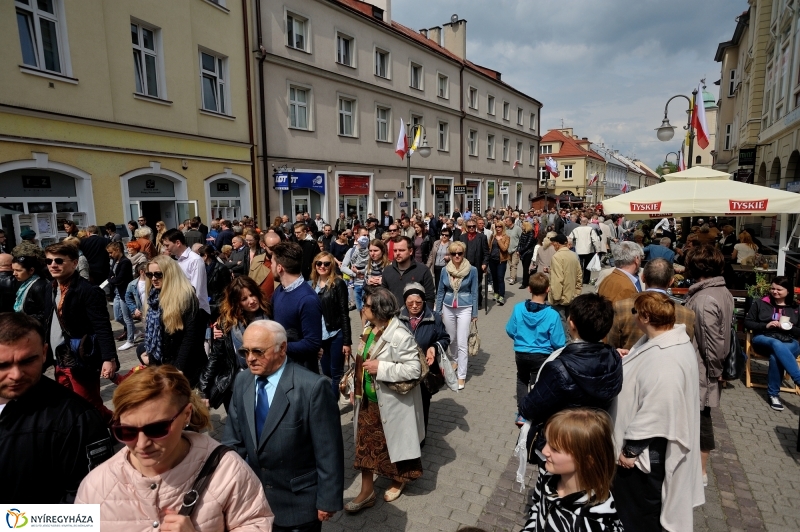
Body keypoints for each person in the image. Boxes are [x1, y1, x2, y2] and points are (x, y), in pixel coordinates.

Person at [76, 365, 274, 531]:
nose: (142, 443)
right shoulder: (96, 485)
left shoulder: (227, 471)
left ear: (186, 414)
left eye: (157, 428)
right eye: (127, 432)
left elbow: (255, 522)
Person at [222, 320, 343, 531]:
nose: (250, 359)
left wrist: (328, 499)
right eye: (245, 351)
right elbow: (234, 440)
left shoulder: (312, 388)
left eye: (258, 351)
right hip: (254, 502)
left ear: (282, 348)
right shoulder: (242, 382)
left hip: (299, 505)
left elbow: (329, 451)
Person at [610, 292, 704, 532]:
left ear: (645, 317)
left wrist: (630, 450)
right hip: (645, 452)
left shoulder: (667, 358)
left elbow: (657, 409)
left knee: (638, 516)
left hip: (645, 457)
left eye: (635, 312)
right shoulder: (661, 341)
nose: (633, 317)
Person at [0, 312, 113, 504]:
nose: (16, 375)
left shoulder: (78, 420)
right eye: (2, 365)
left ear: (44, 353)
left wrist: (11, 523)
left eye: (28, 361)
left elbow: (87, 511)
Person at [345, 288, 425, 512]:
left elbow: (413, 368)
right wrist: (354, 386)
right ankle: (367, 491)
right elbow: (362, 360)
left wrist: (382, 368)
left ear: (379, 309)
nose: (363, 308)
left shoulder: (399, 334)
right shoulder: (370, 328)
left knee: (394, 445)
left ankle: (398, 480)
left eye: (368, 305)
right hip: (368, 402)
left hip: (391, 404)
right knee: (365, 448)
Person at [519, 293, 623, 459]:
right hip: (594, 442)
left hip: (560, 444)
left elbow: (529, 407)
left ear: (571, 323)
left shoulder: (559, 367)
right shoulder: (614, 358)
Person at [43, 242, 116, 423]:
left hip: (81, 359)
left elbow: (102, 326)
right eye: (49, 261)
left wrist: (109, 358)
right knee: (68, 403)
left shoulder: (88, 290)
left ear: (75, 263)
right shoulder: (51, 288)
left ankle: (116, 427)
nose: (53, 265)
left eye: (59, 260)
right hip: (60, 359)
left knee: (88, 403)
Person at [520, 409, 623, 532]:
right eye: (547, 442)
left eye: (555, 449)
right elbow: (537, 508)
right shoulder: (548, 476)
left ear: (587, 461)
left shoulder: (590, 521)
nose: (544, 451)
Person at [684, 245, 734, 485]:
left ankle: (700, 473)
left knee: (701, 418)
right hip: (706, 367)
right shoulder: (721, 291)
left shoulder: (704, 298)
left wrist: (716, 372)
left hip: (702, 370)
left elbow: (711, 344)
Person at [201, 276, 270, 411]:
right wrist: (203, 388)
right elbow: (215, 357)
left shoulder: (270, 314)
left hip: (265, 383)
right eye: (244, 299)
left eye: (252, 295)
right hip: (237, 384)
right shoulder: (227, 324)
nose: (251, 301)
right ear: (236, 303)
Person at [506, 273, 566, 425]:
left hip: (521, 352)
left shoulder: (518, 308)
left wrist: (520, 339)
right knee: (536, 382)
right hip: (542, 354)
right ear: (548, 290)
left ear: (529, 289)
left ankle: (522, 412)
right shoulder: (552, 314)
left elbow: (510, 329)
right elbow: (558, 341)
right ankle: (534, 412)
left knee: (521, 379)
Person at [139, 255, 208, 387]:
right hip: (161, 366)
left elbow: (191, 337)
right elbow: (153, 336)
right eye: (150, 274)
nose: (153, 279)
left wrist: (178, 368)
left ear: (170, 273)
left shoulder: (186, 297)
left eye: (158, 274)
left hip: (185, 367)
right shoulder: (153, 297)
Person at [607, 259, 696, 350]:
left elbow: (612, 346)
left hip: (630, 362)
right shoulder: (688, 314)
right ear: (671, 282)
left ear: (643, 278)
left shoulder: (621, 307)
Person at [398, 282, 450, 439]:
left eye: (418, 303)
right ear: (405, 302)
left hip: (424, 371)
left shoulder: (434, 318)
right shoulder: (397, 317)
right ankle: (405, 436)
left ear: (424, 302)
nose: (414, 306)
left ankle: (420, 437)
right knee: (404, 404)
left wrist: (435, 346)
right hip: (403, 369)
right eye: (410, 303)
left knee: (422, 404)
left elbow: (445, 338)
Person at [745, 276, 800, 411]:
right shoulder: (761, 303)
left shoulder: (796, 307)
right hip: (764, 338)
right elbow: (748, 322)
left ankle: (773, 395)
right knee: (776, 344)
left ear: (788, 291)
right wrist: (766, 325)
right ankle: (798, 379)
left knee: (776, 356)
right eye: (772, 288)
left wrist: (790, 327)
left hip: (789, 340)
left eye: (779, 289)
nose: (774, 292)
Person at [271, 242, 323, 373]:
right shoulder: (279, 290)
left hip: (300, 372)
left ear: (279, 268)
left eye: (272, 263)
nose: (270, 267)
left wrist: (277, 348)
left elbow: (312, 343)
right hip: (282, 368)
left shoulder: (307, 299)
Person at [435, 241, 478, 391]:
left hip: (465, 307)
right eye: (454, 253)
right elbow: (440, 291)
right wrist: (438, 309)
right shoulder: (445, 270)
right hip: (447, 306)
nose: (457, 256)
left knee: (462, 342)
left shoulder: (472, 270)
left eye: (460, 253)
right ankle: (454, 360)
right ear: (450, 255)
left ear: (464, 253)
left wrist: (474, 313)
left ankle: (461, 375)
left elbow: (474, 292)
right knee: (451, 338)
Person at [309, 251, 352, 398]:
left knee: (335, 372)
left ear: (331, 265)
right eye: (319, 263)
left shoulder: (338, 283)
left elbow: (344, 313)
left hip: (335, 332)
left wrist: (347, 341)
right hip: (319, 335)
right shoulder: (312, 284)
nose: (322, 266)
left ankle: (333, 406)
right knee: (326, 370)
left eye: (326, 264)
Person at [160, 228, 212, 315]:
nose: (166, 248)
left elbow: (196, 290)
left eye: (167, 245)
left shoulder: (195, 260)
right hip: (181, 309)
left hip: (196, 311)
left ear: (178, 243)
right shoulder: (176, 260)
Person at [382, 236, 436, 309]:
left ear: (410, 251)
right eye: (395, 250)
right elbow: (384, 296)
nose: (397, 253)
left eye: (401, 250)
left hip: (415, 317)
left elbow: (430, 298)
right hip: (393, 317)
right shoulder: (387, 271)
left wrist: (426, 317)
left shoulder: (423, 270)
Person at [547, 234, 582, 337]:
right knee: (569, 321)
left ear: (557, 244)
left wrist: (556, 297)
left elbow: (557, 279)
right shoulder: (573, 255)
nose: (553, 245)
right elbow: (579, 275)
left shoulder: (557, 256)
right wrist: (577, 292)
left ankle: (565, 345)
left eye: (554, 243)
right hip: (571, 294)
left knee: (561, 324)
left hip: (561, 296)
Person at [107, 241, 135, 351]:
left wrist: (114, 279)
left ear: (118, 250)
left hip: (125, 292)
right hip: (117, 291)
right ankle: (134, 330)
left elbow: (119, 278)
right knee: (117, 317)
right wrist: (113, 279)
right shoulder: (115, 261)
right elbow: (110, 276)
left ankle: (130, 340)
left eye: (111, 252)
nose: (110, 255)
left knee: (127, 317)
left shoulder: (125, 262)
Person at [459, 219, 490, 309]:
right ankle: (467, 302)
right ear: (466, 227)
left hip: (477, 265)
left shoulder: (482, 237)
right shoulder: (462, 238)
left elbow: (486, 253)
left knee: (477, 286)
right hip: (465, 266)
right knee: (465, 285)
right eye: (469, 226)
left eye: (473, 226)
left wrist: (484, 263)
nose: (471, 228)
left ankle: (478, 302)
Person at [11, 255, 48, 323]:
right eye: (13, 270)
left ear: (31, 270)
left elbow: (45, 313)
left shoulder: (39, 287)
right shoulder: (23, 283)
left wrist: (25, 321)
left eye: (18, 270)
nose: (14, 273)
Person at [200, 245, 232, 321]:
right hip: (206, 302)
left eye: (200, 255)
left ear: (205, 256)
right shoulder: (202, 268)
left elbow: (227, 287)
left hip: (218, 303)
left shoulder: (221, 268)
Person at [568, 217, 600, 285]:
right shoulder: (590, 229)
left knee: (579, 266)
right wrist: (597, 249)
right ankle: (586, 280)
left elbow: (570, 238)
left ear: (580, 222)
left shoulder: (576, 230)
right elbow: (595, 240)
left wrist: (570, 247)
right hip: (588, 250)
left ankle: (579, 279)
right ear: (587, 222)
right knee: (587, 266)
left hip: (578, 250)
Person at [488, 222, 510, 305]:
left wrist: (499, 240)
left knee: (500, 278)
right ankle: (496, 292)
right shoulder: (492, 236)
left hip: (502, 261)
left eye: (500, 226)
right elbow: (489, 246)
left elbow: (504, 249)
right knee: (494, 278)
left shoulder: (506, 237)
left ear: (503, 227)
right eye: (496, 227)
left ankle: (502, 296)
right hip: (492, 260)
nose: (498, 228)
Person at [427, 227, 452, 291]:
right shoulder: (436, 243)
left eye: (446, 235)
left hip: (445, 267)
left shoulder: (452, 244)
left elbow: (454, 256)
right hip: (436, 266)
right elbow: (431, 255)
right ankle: (438, 297)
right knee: (437, 283)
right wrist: (427, 267)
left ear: (449, 236)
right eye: (442, 234)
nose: (444, 236)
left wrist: (449, 258)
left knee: (445, 283)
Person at [518, 221, 536, 289]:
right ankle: (527, 281)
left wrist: (520, 250)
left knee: (526, 268)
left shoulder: (531, 233)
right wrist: (518, 250)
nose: (521, 226)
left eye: (522, 225)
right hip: (523, 252)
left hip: (528, 252)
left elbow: (528, 245)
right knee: (524, 268)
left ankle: (524, 283)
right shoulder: (523, 233)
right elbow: (520, 242)